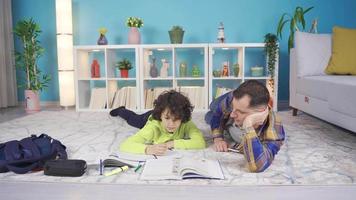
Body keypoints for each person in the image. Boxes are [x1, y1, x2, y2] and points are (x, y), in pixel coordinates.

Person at [205, 80, 285, 172]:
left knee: (208, 116)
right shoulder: (234, 99)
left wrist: (248, 125)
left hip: (230, 119)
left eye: (241, 112)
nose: (232, 114)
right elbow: (217, 116)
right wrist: (218, 138)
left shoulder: (274, 127)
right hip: (228, 102)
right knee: (212, 107)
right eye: (233, 109)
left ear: (260, 112)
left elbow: (259, 165)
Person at [112, 90, 206, 156]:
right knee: (133, 119)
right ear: (161, 116)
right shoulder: (153, 127)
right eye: (167, 118)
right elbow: (125, 145)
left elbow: (200, 143)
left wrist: (172, 143)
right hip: (149, 118)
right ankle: (121, 110)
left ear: (182, 118)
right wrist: (147, 149)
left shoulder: (186, 122)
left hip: (162, 113)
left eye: (176, 119)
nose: (171, 124)